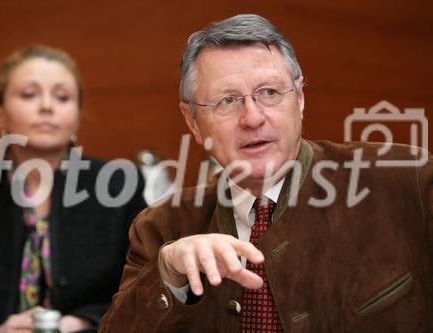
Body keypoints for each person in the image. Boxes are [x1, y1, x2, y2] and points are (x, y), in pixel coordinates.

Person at [99, 14, 432, 332]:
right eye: (227, 101)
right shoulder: (162, 229)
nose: (253, 118)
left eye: (269, 93)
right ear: (193, 122)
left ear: (299, 97)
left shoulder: (407, 182)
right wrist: (168, 278)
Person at [0, 45, 146, 333]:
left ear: (77, 115)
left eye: (62, 97)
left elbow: (147, 283)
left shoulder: (117, 184)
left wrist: (84, 322)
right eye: (29, 94)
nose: (47, 106)